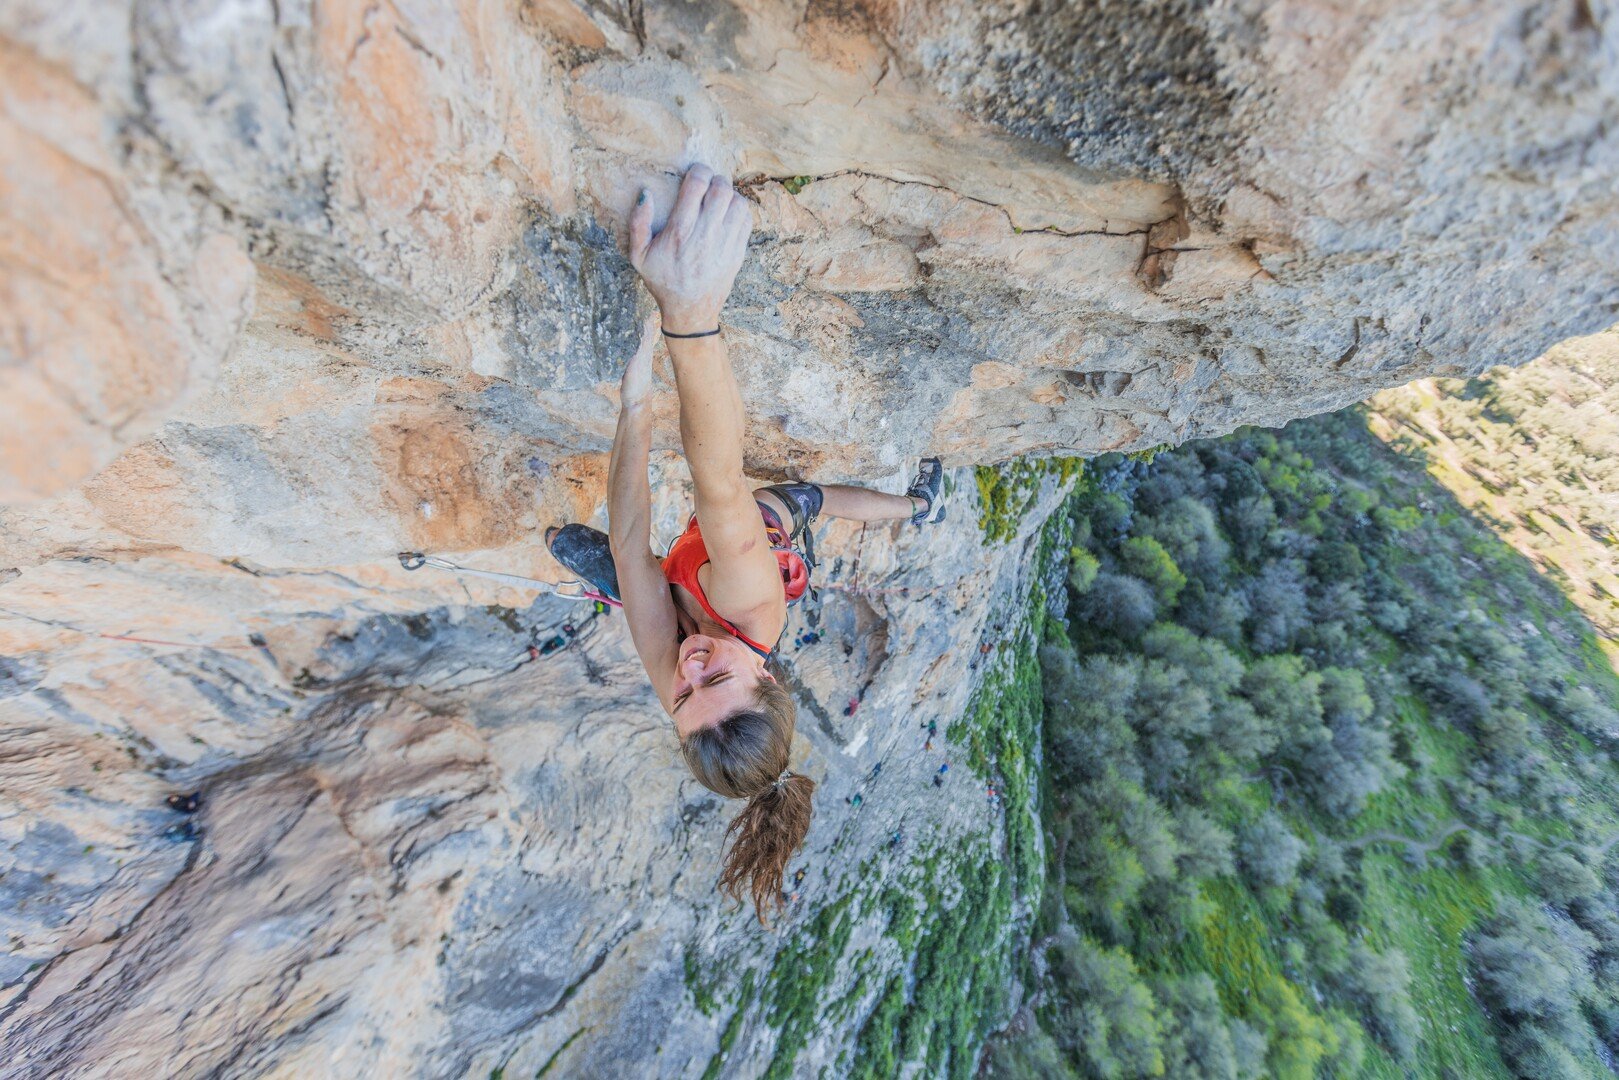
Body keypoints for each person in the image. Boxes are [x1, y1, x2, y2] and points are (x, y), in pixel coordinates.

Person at [545, 164, 946, 921]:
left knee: (634, 579)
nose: (689, 670)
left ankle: (911, 508)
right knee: (810, 498)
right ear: (766, 677)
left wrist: (634, 404)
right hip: (759, 535)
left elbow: (631, 546)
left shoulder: (677, 673)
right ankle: (916, 506)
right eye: (715, 679)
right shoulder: (750, 610)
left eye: (683, 697)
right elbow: (717, 482)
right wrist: (687, 316)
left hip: (682, 563)